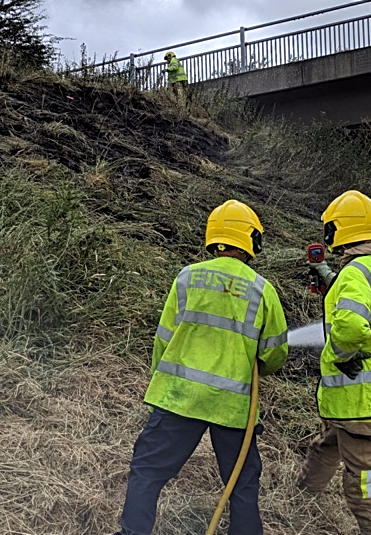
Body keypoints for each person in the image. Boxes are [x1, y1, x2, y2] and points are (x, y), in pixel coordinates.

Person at [113, 199, 289, 535]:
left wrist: (161, 389)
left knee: (148, 471)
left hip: (180, 398)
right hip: (233, 408)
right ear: (251, 241)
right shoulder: (262, 291)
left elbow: (164, 338)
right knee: (242, 484)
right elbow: (274, 354)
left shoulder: (186, 278)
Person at [297, 190, 371, 535]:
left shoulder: (355, 275)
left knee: (365, 486)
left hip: (359, 399)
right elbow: (363, 305)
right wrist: (328, 276)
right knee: (328, 443)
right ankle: (303, 498)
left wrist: (342, 355)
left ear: (339, 230)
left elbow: (349, 325)